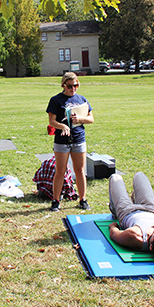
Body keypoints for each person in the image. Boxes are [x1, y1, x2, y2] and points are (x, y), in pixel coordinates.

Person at [46, 72, 94, 212]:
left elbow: (91, 118)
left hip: (78, 138)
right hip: (61, 141)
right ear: (63, 85)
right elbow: (52, 121)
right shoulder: (56, 100)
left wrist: (80, 119)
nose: (73, 89)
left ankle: (83, 199)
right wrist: (63, 126)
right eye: (70, 86)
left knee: (80, 171)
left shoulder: (81, 99)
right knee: (60, 171)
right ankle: (56, 201)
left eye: (76, 85)